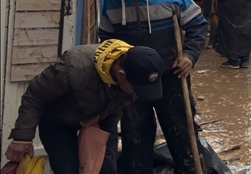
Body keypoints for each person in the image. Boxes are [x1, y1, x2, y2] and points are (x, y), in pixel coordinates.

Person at [93, 0, 207, 173]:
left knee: (182, 135)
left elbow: (197, 25)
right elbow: (106, 39)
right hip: (132, 83)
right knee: (135, 140)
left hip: (172, 75)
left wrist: (190, 56)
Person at [5, 42, 163, 173]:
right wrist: (22, 137)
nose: (137, 94)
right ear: (121, 74)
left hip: (102, 116)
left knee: (105, 169)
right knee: (68, 170)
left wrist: (99, 116)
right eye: (136, 89)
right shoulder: (73, 67)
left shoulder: (140, 67)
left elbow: (121, 102)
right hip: (58, 119)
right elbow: (35, 96)